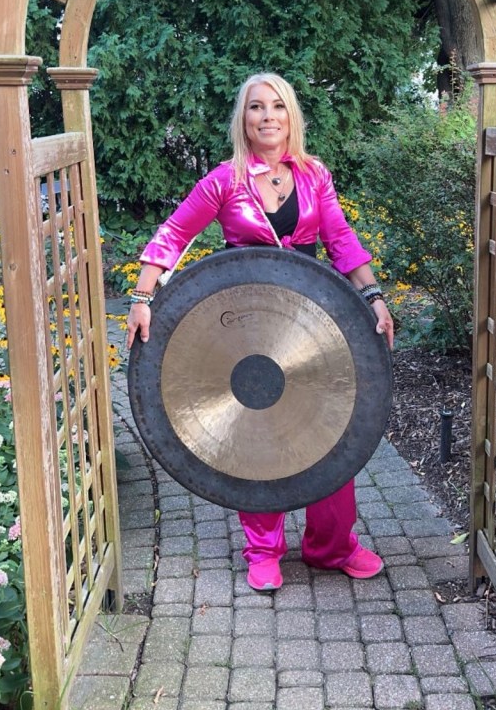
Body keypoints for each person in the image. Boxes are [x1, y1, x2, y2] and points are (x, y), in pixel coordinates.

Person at [126, 72, 394, 592]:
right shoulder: (225, 180)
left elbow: (340, 238)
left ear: (291, 116)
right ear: (243, 119)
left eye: (277, 106)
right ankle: (264, 550)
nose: (267, 116)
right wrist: (141, 297)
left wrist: (374, 296)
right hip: (245, 322)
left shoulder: (314, 175)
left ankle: (331, 546)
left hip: (313, 322)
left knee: (332, 428)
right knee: (255, 431)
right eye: (256, 107)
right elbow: (174, 233)